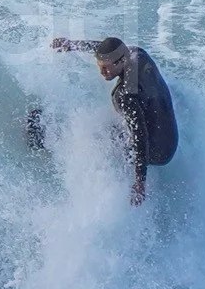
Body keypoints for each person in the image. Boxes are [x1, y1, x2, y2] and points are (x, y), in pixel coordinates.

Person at [50, 35, 179, 203]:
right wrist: (72, 45)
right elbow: (103, 49)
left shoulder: (127, 94)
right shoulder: (137, 53)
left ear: (121, 62)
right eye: (100, 66)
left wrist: (140, 182)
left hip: (160, 151)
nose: (102, 73)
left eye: (106, 68)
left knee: (102, 137)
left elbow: (139, 134)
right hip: (170, 132)